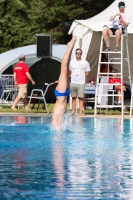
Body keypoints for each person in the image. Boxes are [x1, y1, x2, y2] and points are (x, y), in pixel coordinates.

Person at [52, 36, 77, 129]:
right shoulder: (59, 125)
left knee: (64, 70)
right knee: (66, 70)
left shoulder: (55, 124)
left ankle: (70, 47)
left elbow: (54, 121)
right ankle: (70, 48)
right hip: (63, 95)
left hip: (61, 94)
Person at [69, 48, 90, 115]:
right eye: (76, 53)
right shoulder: (72, 62)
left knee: (81, 97)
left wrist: (83, 76)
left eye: (79, 53)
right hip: (73, 82)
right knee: (73, 97)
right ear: (75, 54)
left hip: (81, 82)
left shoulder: (85, 62)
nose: (78, 54)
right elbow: (71, 70)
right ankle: (73, 111)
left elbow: (87, 71)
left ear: (81, 54)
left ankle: (80, 111)